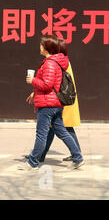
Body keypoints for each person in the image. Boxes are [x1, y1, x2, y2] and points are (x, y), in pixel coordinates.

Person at [21, 35, 84, 171]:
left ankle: (33, 162)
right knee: (62, 132)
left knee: (41, 134)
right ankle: (78, 158)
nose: (40, 47)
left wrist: (32, 81)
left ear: (46, 48)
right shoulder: (57, 62)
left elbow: (47, 84)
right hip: (55, 104)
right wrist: (35, 91)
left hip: (47, 104)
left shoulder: (50, 63)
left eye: (41, 45)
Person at [40, 38, 82, 162]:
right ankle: (40, 154)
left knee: (63, 128)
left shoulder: (60, 62)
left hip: (61, 99)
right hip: (63, 98)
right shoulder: (64, 61)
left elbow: (53, 81)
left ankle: (77, 155)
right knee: (53, 128)